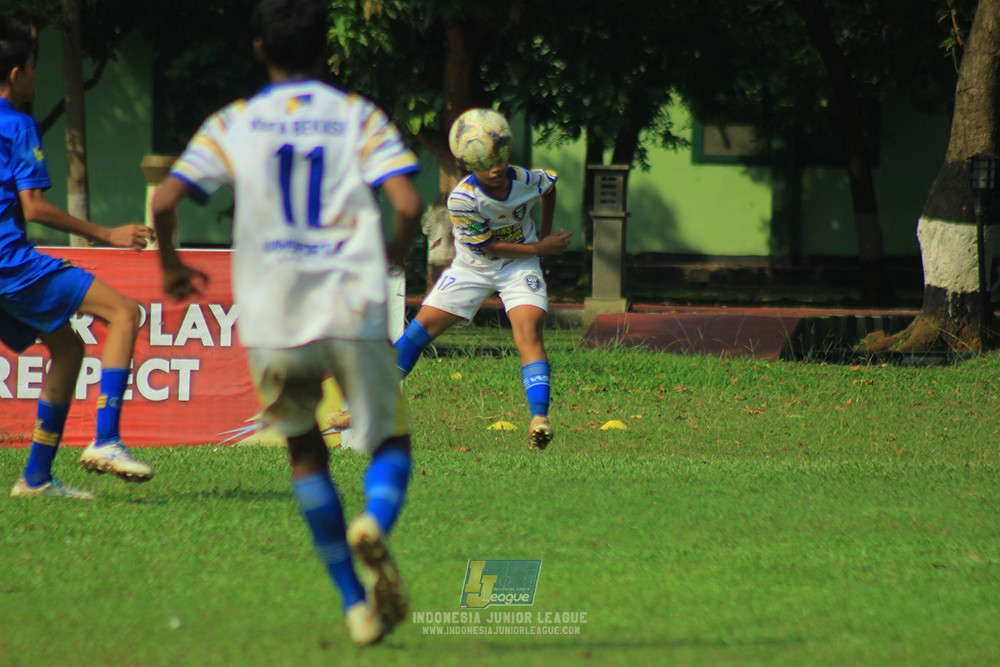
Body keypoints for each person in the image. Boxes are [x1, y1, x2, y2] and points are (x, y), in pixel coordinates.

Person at [151, 0, 422, 647]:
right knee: (391, 444)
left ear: (258, 49)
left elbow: (164, 199)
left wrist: (169, 268)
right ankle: (376, 520)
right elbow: (408, 202)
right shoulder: (357, 115)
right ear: (327, 48)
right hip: (352, 308)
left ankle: (354, 603)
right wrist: (392, 255)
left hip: (273, 319)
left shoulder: (235, 122)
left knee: (305, 451)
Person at [0, 16, 154, 501]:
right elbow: (36, 207)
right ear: (16, 75)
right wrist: (107, 232)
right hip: (11, 264)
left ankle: (38, 478)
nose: (38, 78)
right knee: (126, 312)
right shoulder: (18, 124)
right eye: (33, 67)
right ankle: (106, 440)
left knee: (67, 349)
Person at [394, 109, 571, 450]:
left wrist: (543, 236)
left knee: (528, 333)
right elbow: (487, 246)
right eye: (485, 167)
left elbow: (548, 186)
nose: (494, 171)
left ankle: (539, 417)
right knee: (418, 332)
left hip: (519, 267)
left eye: (499, 163)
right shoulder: (463, 199)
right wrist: (541, 245)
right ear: (468, 166)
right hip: (472, 268)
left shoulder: (524, 178)